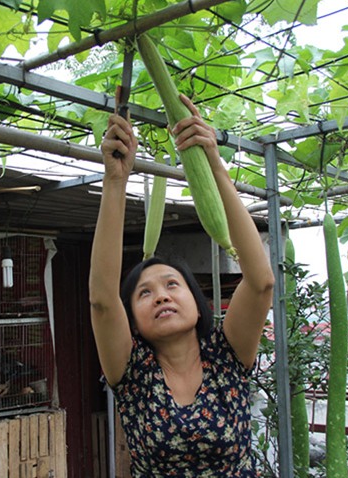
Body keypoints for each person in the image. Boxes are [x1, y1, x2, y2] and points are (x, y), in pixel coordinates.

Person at [89, 94, 275, 476]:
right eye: (144, 292)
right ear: (134, 323)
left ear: (197, 302)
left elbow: (260, 282)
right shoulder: (132, 371)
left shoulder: (227, 355)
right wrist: (115, 180)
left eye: (172, 284)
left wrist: (214, 167)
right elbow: (104, 301)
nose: (160, 295)